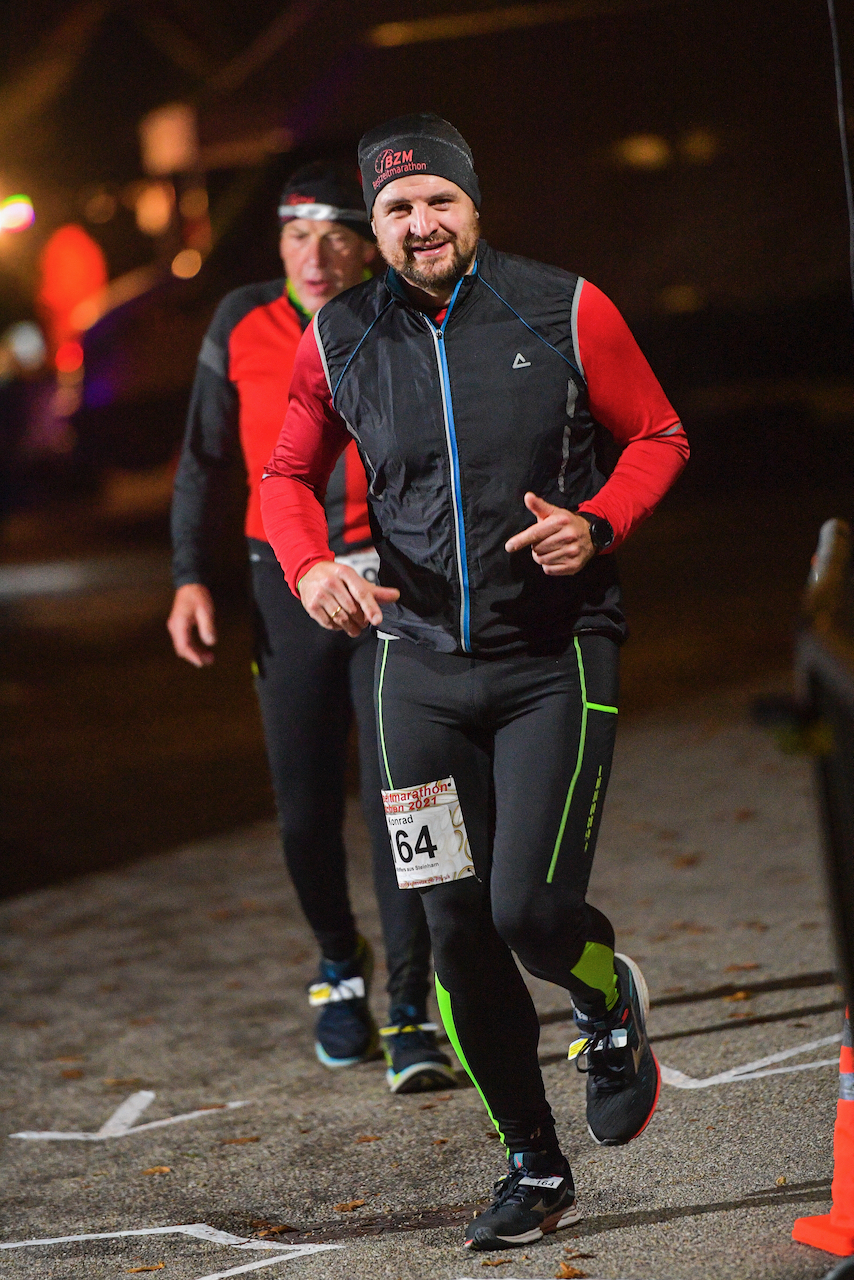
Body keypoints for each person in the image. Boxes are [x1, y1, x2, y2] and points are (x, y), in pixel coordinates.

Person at [260, 117, 690, 1250]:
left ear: (472, 205)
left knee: (528, 910)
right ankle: (531, 1163)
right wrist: (308, 567)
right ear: (374, 226)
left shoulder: (563, 307)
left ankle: (601, 994)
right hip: (415, 675)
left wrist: (597, 522)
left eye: (437, 202)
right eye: (397, 210)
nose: (420, 224)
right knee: (452, 927)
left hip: (555, 654)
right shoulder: (337, 336)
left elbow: (655, 432)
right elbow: (283, 473)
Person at [168, 160, 455, 1095]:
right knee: (302, 811)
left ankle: (414, 1008)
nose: (315, 255)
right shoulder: (241, 321)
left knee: (406, 804)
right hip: (284, 584)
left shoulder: (403, 313)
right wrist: (189, 579)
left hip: (395, 588)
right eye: (297, 235)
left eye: (337, 234)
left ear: (369, 243)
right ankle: (340, 969)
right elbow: (208, 460)